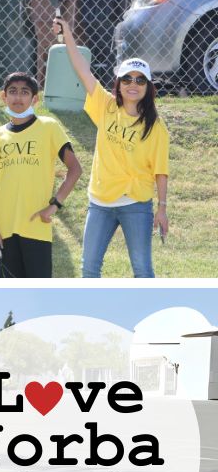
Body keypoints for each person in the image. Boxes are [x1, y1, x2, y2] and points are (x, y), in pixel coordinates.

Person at [55, 17, 170, 278]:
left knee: (142, 270)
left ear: (148, 87)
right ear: (118, 83)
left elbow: (160, 171)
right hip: (100, 201)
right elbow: (82, 69)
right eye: (127, 79)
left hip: (135, 202)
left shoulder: (157, 126)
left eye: (140, 80)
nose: (133, 84)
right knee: (89, 268)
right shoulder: (105, 107)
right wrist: (68, 34)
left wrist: (161, 209)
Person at [0, 72, 82, 277]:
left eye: (24, 92)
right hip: (4, 230)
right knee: (9, 297)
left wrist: (54, 205)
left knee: (37, 292)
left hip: (36, 228)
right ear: (3, 97)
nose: (18, 97)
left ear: (34, 99)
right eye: (12, 92)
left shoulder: (49, 127)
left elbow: (75, 169)